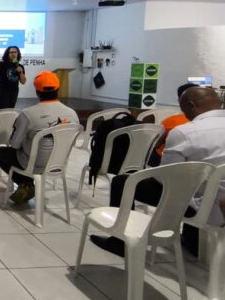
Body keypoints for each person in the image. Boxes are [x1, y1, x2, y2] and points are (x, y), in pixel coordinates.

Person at [92, 87, 225, 256]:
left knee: (123, 182)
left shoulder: (185, 132)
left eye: (184, 110)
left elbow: (166, 179)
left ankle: (119, 242)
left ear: (192, 105)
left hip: (200, 207)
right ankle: (192, 240)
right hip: (221, 205)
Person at [0, 71, 79, 204]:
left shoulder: (28, 114)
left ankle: (26, 183)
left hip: (32, 165)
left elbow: (14, 145)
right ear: (58, 89)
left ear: (37, 92)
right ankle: (26, 185)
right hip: (58, 165)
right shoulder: (72, 114)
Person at [147, 83, 195, 166]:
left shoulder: (171, 121)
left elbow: (156, 143)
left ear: (180, 100)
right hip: (198, 163)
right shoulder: (212, 122)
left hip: (168, 163)